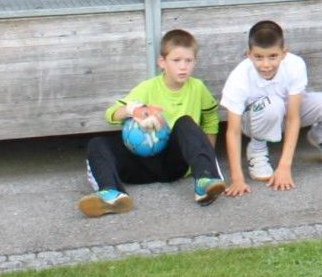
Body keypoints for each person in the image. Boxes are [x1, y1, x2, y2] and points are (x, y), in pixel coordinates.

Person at [79, 28, 225, 217]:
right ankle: (111, 194)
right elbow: (110, 115)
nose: (183, 67)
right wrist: (134, 110)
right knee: (97, 143)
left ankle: (204, 181)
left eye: (188, 61)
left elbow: (211, 120)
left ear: (194, 62)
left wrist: (205, 158)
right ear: (162, 62)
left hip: (174, 164)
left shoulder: (197, 88)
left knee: (185, 122)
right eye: (176, 61)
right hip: (140, 164)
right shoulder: (148, 88)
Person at [221, 19, 322, 197]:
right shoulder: (239, 77)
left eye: (272, 56)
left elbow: (293, 117)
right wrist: (237, 178)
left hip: (286, 114)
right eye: (258, 57)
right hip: (255, 121)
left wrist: (284, 167)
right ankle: (257, 148)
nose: (266, 64)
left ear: (283, 53)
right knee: (273, 104)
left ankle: (321, 137)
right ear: (249, 54)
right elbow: (232, 132)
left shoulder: (295, 65)